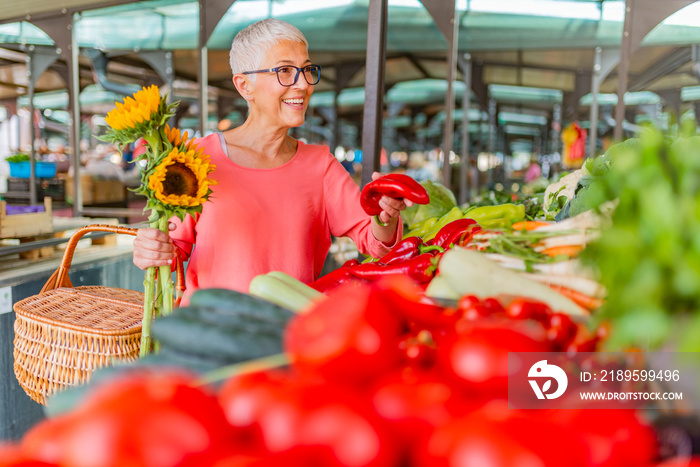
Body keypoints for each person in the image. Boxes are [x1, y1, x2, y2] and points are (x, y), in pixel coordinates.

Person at [132, 19, 409, 302]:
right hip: (210, 336)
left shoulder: (320, 166)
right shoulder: (196, 158)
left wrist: (384, 215)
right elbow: (172, 251)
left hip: (289, 337)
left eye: (306, 70)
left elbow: (376, 243)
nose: (302, 84)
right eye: (285, 71)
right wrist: (151, 249)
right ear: (244, 86)